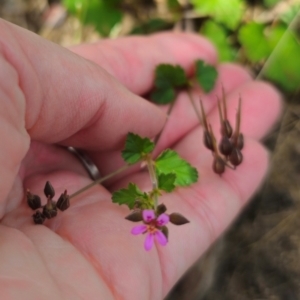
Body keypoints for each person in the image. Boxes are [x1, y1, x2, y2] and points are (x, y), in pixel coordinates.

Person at [0, 18, 281, 299]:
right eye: (152, 223)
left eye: (152, 224)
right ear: (154, 218)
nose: (150, 224)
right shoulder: (149, 210)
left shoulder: (150, 210)